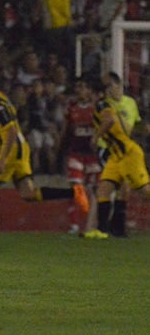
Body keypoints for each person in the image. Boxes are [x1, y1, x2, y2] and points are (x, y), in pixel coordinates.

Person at [0, 70, 89, 245]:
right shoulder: (3, 99)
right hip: (21, 148)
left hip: (12, 150)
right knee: (28, 194)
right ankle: (74, 192)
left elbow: (11, 131)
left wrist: (1, 159)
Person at [85, 75, 150, 239]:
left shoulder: (102, 104)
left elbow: (109, 120)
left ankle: (107, 229)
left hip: (128, 154)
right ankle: (102, 230)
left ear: (94, 93)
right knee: (103, 190)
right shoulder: (105, 105)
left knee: (145, 192)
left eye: (86, 90)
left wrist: (95, 136)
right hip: (116, 155)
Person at [59, 77, 100, 235]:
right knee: (75, 187)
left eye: (83, 87)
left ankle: (93, 223)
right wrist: (60, 147)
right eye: (78, 87)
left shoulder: (96, 109)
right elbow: (65, 129)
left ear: (89, 91)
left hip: (92, 155)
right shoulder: (71, 108)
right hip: (75, 152)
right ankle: (74, 223)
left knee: (94, 189)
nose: (80, 90)